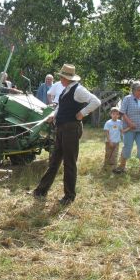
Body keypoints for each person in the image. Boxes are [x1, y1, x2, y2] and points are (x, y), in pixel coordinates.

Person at [32, 64, 100, 205]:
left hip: (71, 129)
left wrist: (82, 113)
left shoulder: (79, 90)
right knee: (54, 161)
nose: (60, 79)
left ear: (67, 78)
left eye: (62, 77)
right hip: (62, 128)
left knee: (69, 163)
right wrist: (53, 115)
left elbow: (96, 101)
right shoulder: (66, 89)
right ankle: (41, 190)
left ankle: (69, 196)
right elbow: (60, 107)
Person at [113, 81, 140, 175]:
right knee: (127, 147)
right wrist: (130, 123)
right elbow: (122, 112)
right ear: (133, 90)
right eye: (139, 90)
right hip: (129, 128)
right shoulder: (127, 99)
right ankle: (122, 166)